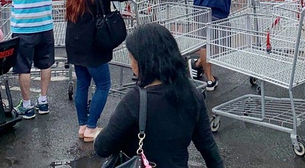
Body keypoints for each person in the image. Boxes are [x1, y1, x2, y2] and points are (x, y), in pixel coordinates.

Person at [94, 23, 223, 168]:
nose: (131, 65)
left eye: (132, 58)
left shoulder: (135, 100)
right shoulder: (192, 93)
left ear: (144, 62)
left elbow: (102, 147)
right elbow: (208, 147)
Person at [66, 0, 133, 142]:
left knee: (82, 84)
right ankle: (91, 127)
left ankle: (82, 125)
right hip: (93, 42)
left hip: (74, 40)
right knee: (103, 84)